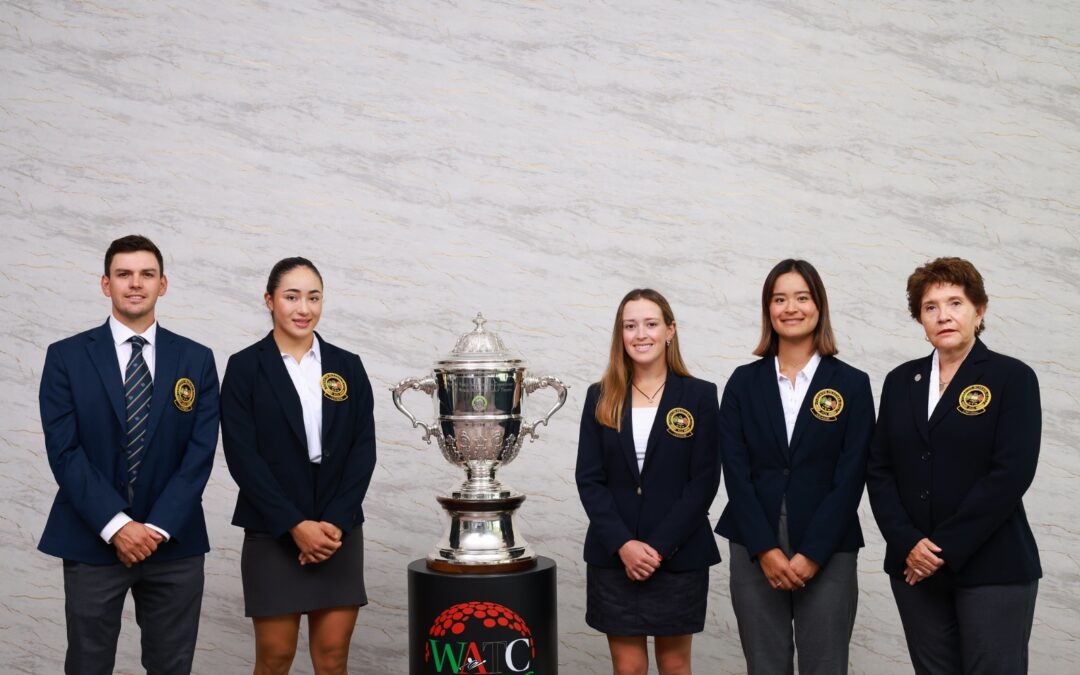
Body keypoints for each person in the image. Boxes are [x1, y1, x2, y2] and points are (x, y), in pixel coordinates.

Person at [38, 234, 220, 674]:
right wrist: (117, 526)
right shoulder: (65, 357)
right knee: (88, 665)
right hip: (91, 536)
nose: (135, 283)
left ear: (163, 284)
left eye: (146, 274)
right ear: (106, 284)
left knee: (171, 666)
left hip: (173, 542)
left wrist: (155, 529)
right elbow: (65, 452)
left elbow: (199, 455)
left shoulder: (196, 359)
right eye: (124, 274)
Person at [866, 256, 1041, 674]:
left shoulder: (1011, 377)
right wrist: (908, 543)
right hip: (913, 568)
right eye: (930, 306)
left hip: (993, 566)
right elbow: (879, 469)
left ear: (979, 311)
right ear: (920, 318)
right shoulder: (900, 381)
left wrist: (941, 549)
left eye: (955, 303)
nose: (943, 315)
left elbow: (1011, 473)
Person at [714, 259, 874, 675]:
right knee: (765, 665)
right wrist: (764, 549)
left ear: (819, 305)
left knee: (826, 665)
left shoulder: (852, 384)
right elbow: (735, 471)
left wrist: (813, 554)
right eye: (779, 299)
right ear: (768, 308)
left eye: (802, 297)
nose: (791, 308)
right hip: (754, 541)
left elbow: (851, 476)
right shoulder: (742, 382)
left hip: (828, 543)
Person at [220, 257, 376, 675]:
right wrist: (295, 525)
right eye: (291, 297)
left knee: (332, 658)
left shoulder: (347, 365)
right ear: (269, 300)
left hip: (337, 528)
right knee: (274, 658)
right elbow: (242, 456)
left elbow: (363, 450)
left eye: (313, 297)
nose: (303, 308)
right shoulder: (245, 367)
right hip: (272, 526)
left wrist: (335, 523)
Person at [575, 288, 722, 675]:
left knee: (674, 665)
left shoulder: (699, 396)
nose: (640, 334)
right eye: (630, 326)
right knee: (628, 668)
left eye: (651, 324)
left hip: (678, 554)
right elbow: (589, 479)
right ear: (620, 334)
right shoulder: (600, 396)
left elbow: (704, 481)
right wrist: (623, 544)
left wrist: (657, 548)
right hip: (615, 556)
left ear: (670, 330)